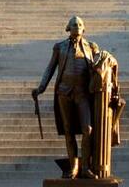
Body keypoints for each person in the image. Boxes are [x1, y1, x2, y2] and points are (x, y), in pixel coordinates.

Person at [34, 16, 104, 179]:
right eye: (74, 24)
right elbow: (50, 68)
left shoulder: (92, 47)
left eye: (80, 24)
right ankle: (74, 167)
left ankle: (86, 166)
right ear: (68, 28)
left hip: (83, 93)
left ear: (84, 28)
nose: (77, 26)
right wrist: (41, 88)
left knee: (88, 129)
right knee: (68, 130)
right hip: (64, 92)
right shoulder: (60, 47)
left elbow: (99, 67)